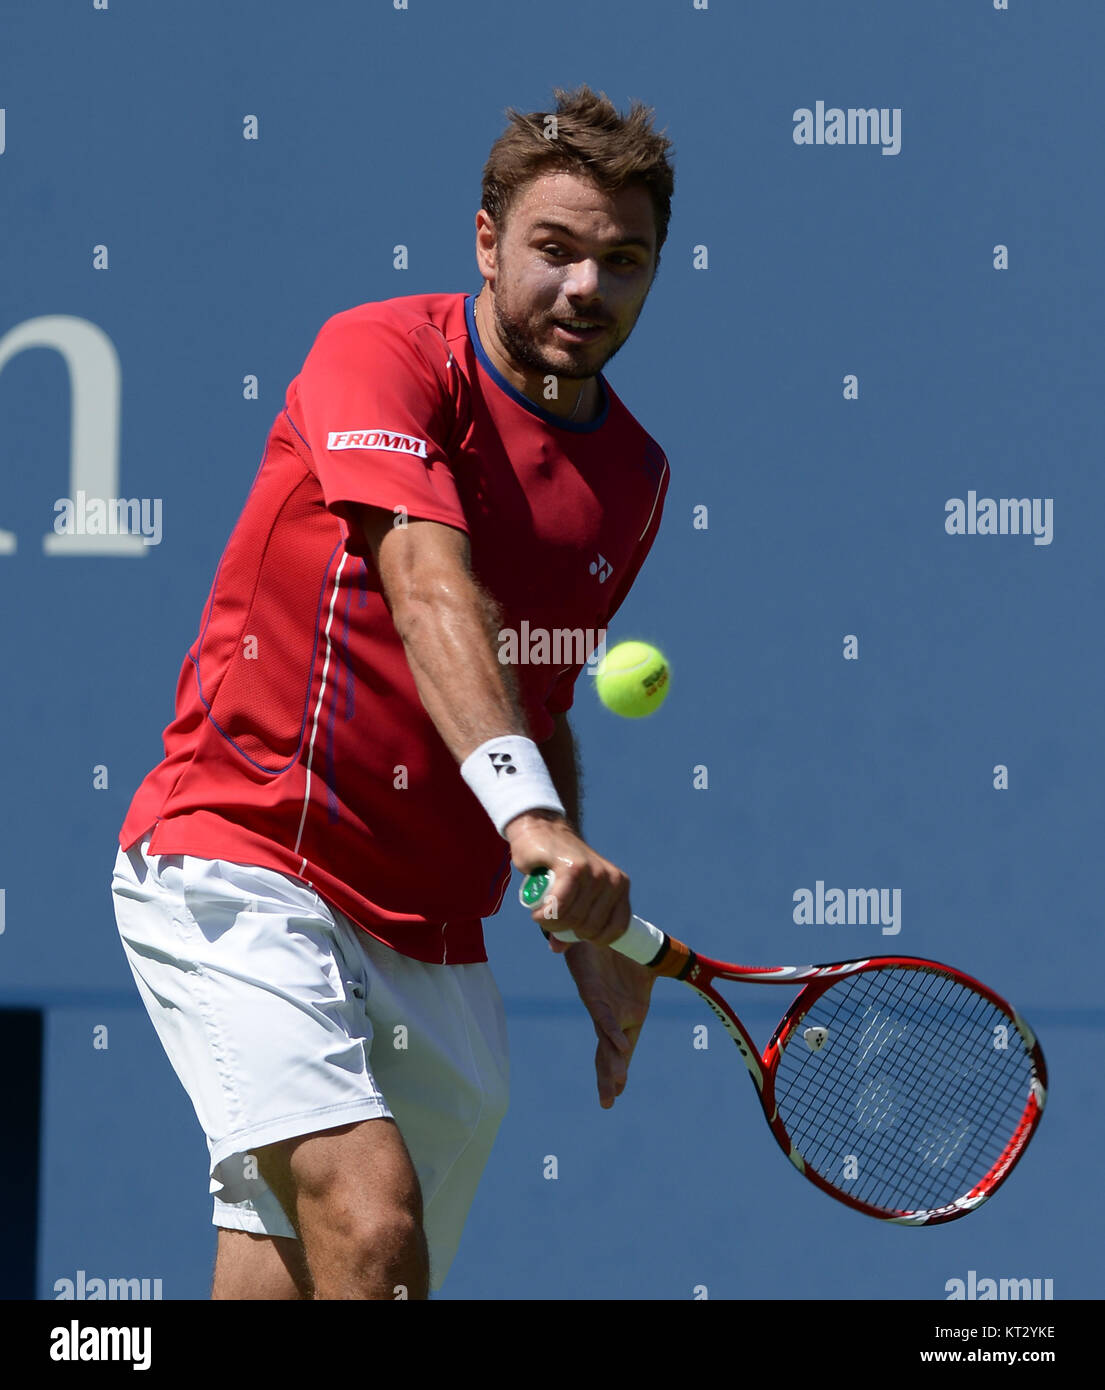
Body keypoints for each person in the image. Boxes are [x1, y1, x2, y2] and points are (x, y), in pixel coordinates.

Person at [110, 84, 674, 1300]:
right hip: (249, 853)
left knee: (317, 1275)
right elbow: (428, 588)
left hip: (435, 931)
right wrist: (530, 819)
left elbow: (533, 693)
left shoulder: (630, 475)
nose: (586, 287)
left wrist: (568, 901)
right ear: (485, 241)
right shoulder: (379, 352)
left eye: (622, 261)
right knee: (369, 1221)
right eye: (555, 249)